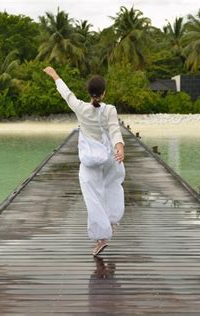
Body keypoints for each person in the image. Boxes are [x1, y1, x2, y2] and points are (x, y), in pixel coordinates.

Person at [43, 66, 125, 256]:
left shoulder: (81, 108)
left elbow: (67, 94)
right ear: (104, 93)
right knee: (112, 186)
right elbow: (115, 130)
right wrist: (119, 147)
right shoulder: (110, 109)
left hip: (90, 160)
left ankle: (101, 238)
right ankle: (112, 221)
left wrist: (55, 75)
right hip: (110, 158)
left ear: (89, 93)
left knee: (93, 197)